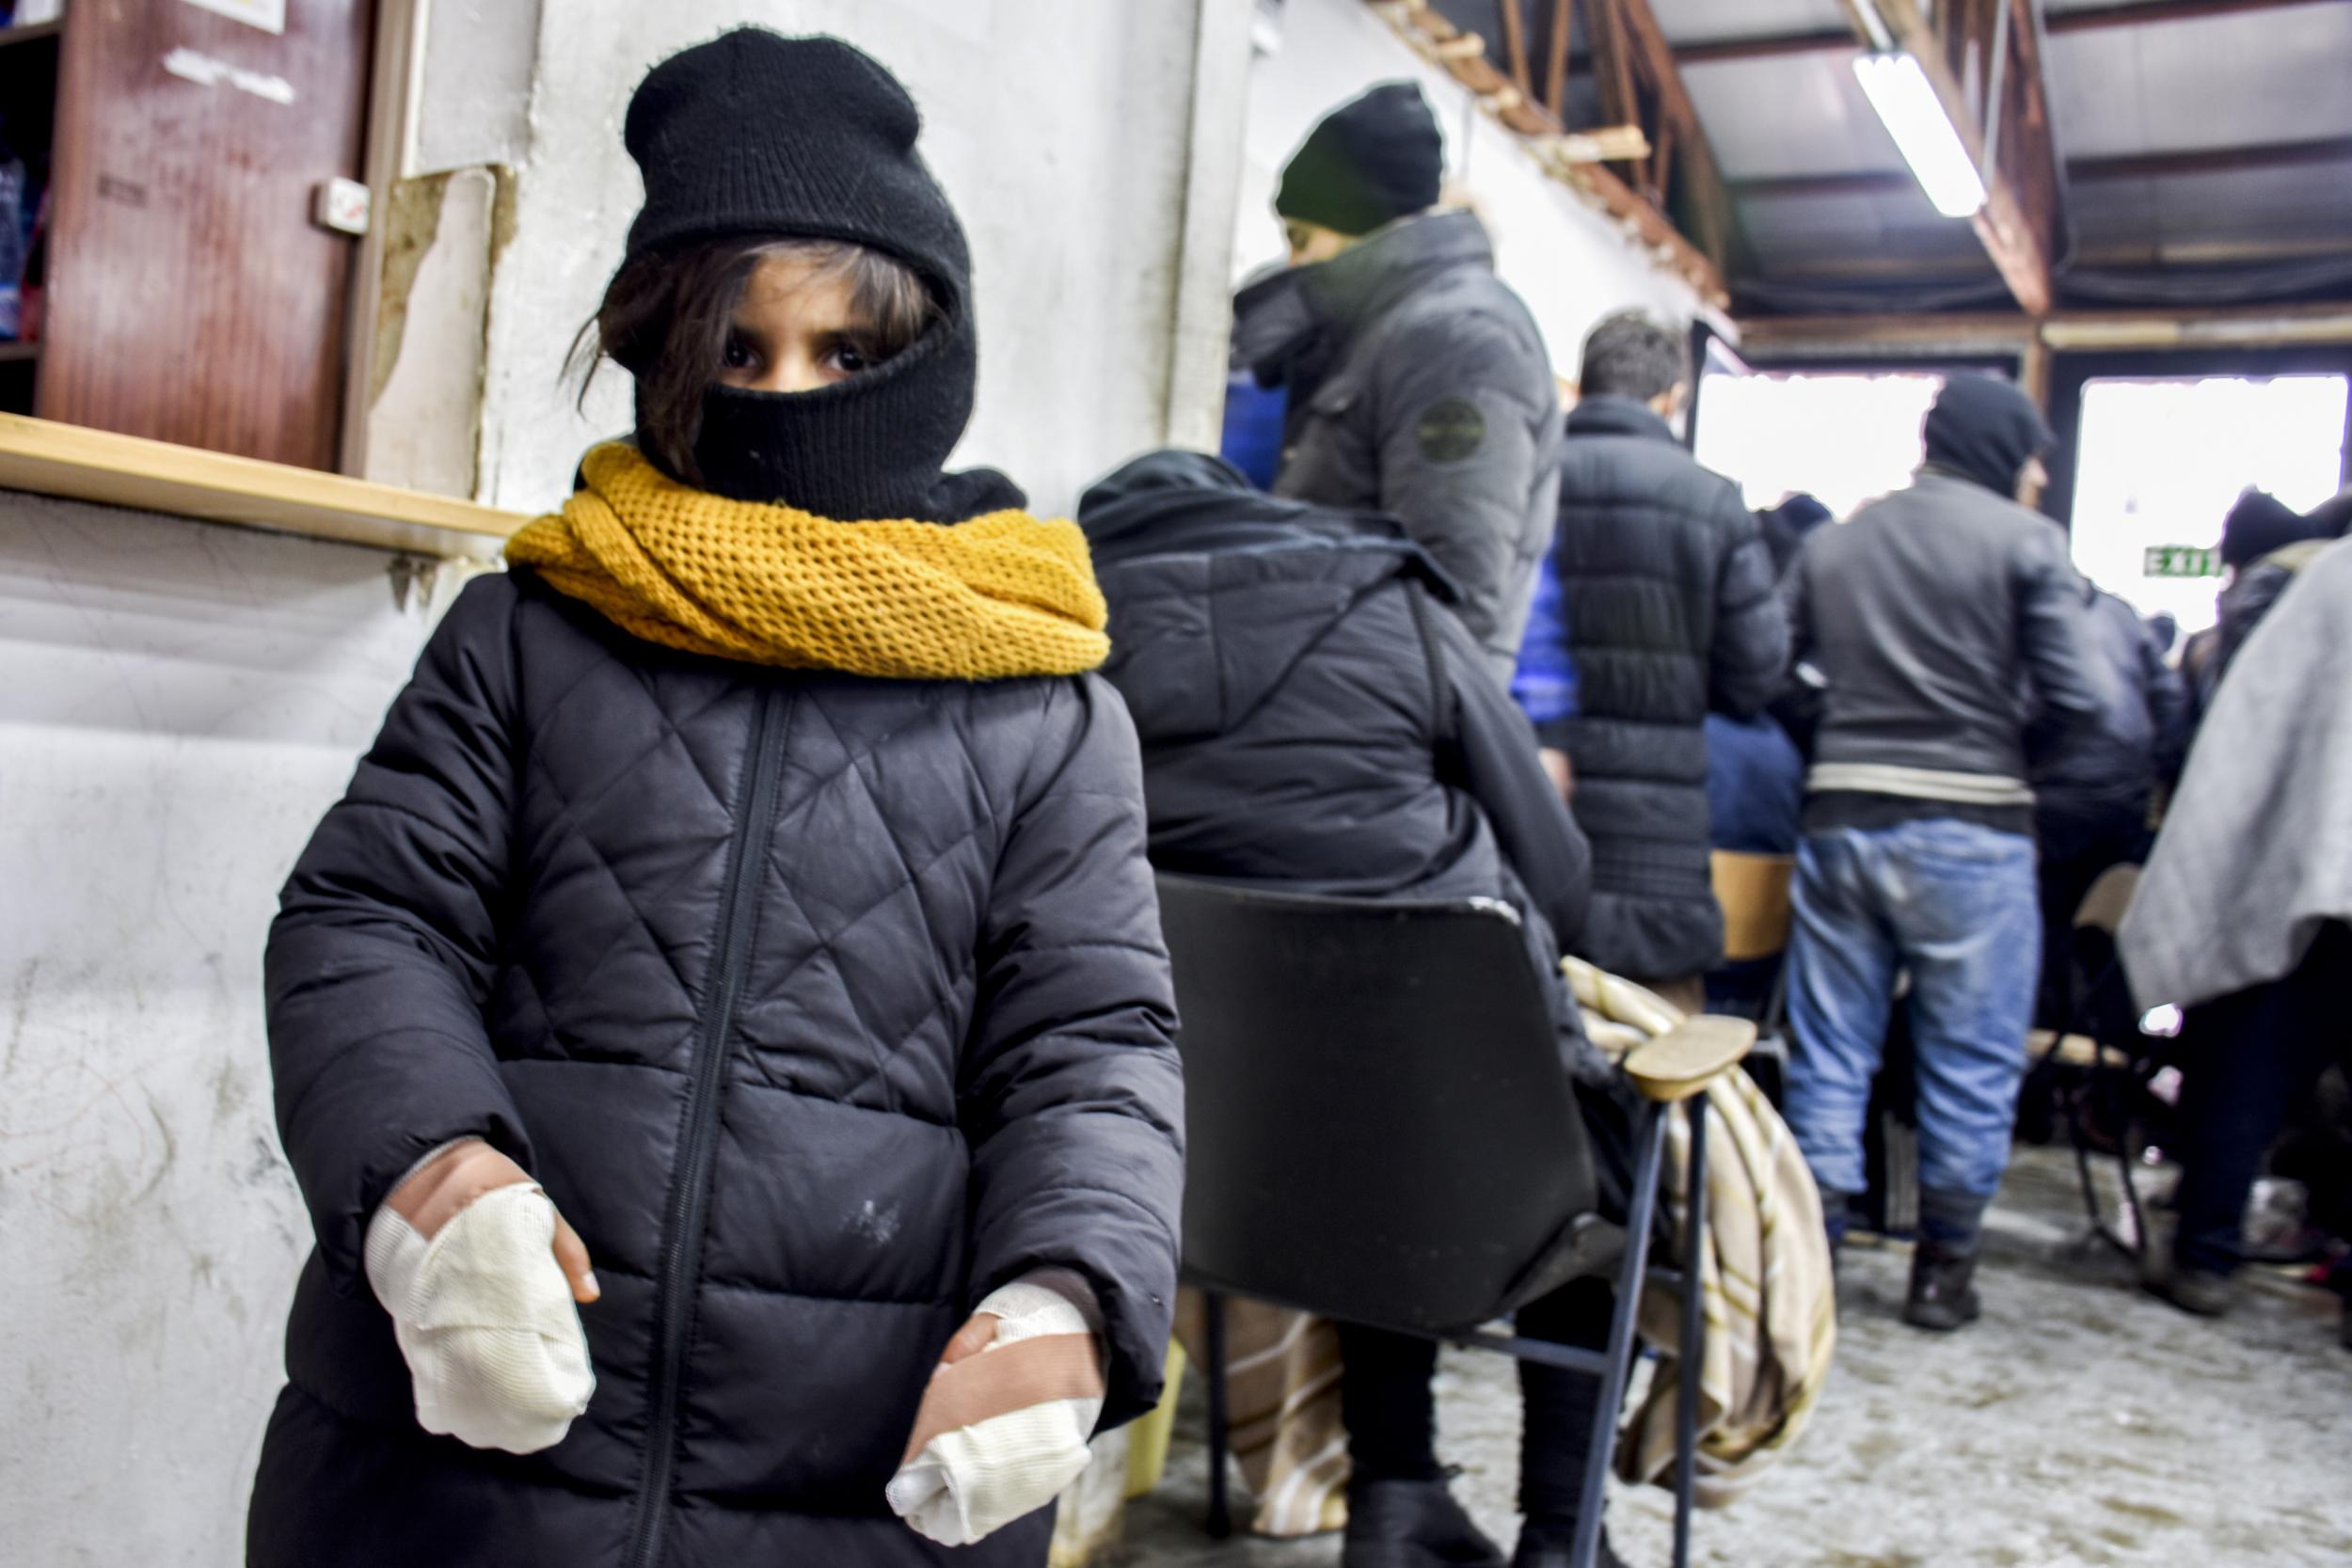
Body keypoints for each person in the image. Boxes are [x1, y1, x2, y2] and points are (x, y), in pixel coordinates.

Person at [246, 32, 1184, 1566]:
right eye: (739, 352)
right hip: (453, 1462)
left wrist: (1072, 1289)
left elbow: (1092, 1045)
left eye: (845, 351)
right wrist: (429, 1168)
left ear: (928, 350)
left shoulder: (1041, 700)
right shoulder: (536, 627)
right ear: (668, 354)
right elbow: (368, 914)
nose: (791, 392)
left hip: (858, 1479)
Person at [1078, 451, 1641, 1568]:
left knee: (1373, 1143)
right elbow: (1557, 869)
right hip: (1467, 1132)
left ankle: (1395, 1490)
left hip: (1228, 1175)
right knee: (1599, 1190)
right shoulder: (1389, 596)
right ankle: (1563, 1533)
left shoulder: (1071, 644)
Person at [1780, 373, 2101, 1332]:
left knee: (1830, 1043)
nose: (2040, 472)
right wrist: (2010, 757)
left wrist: (1837, 736)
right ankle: (1941, 1269)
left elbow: (1770, 665)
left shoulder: (1833, 540)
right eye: (2033, 452)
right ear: (2001, 449)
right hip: (1974, 829)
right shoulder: (2026, 544)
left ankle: (1818, 1256)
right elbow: (2085, 699)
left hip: (1840, 816)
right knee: (1970, 1050)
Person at [1232, 81, 1563, 683]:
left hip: (1383, 728)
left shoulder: (1458, 341)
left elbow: (1453, 591)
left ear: (1361, 225)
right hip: (1343, 705)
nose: (1293, 263)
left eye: (1301, 237)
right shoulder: (1388, 332)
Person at [2120, 537, 2352, 1349]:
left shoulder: (2332, 578)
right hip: (2319, 870)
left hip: (2313, 872)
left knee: (2250, 1062)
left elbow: (2257, 730)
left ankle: (2206, 1256)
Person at [1528, 311, 1789, 1010]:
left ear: (1584, 386)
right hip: (1657, 839)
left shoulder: (1525, 479)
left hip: (1525, 802)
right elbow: (1756, 674)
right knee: (1656, 1041)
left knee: (1522, 1017)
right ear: (1674, 397)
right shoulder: (1711, 500)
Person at [2029, 578, 2188, 1022]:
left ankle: (2046, 1042)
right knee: (2107, 928)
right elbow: (2170, 699)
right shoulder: (2121, 614)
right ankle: (2104, 1038)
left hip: (2052, 798)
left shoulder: (2026, 616)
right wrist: (2158, 771)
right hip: (2125, 799)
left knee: (2043, 924)